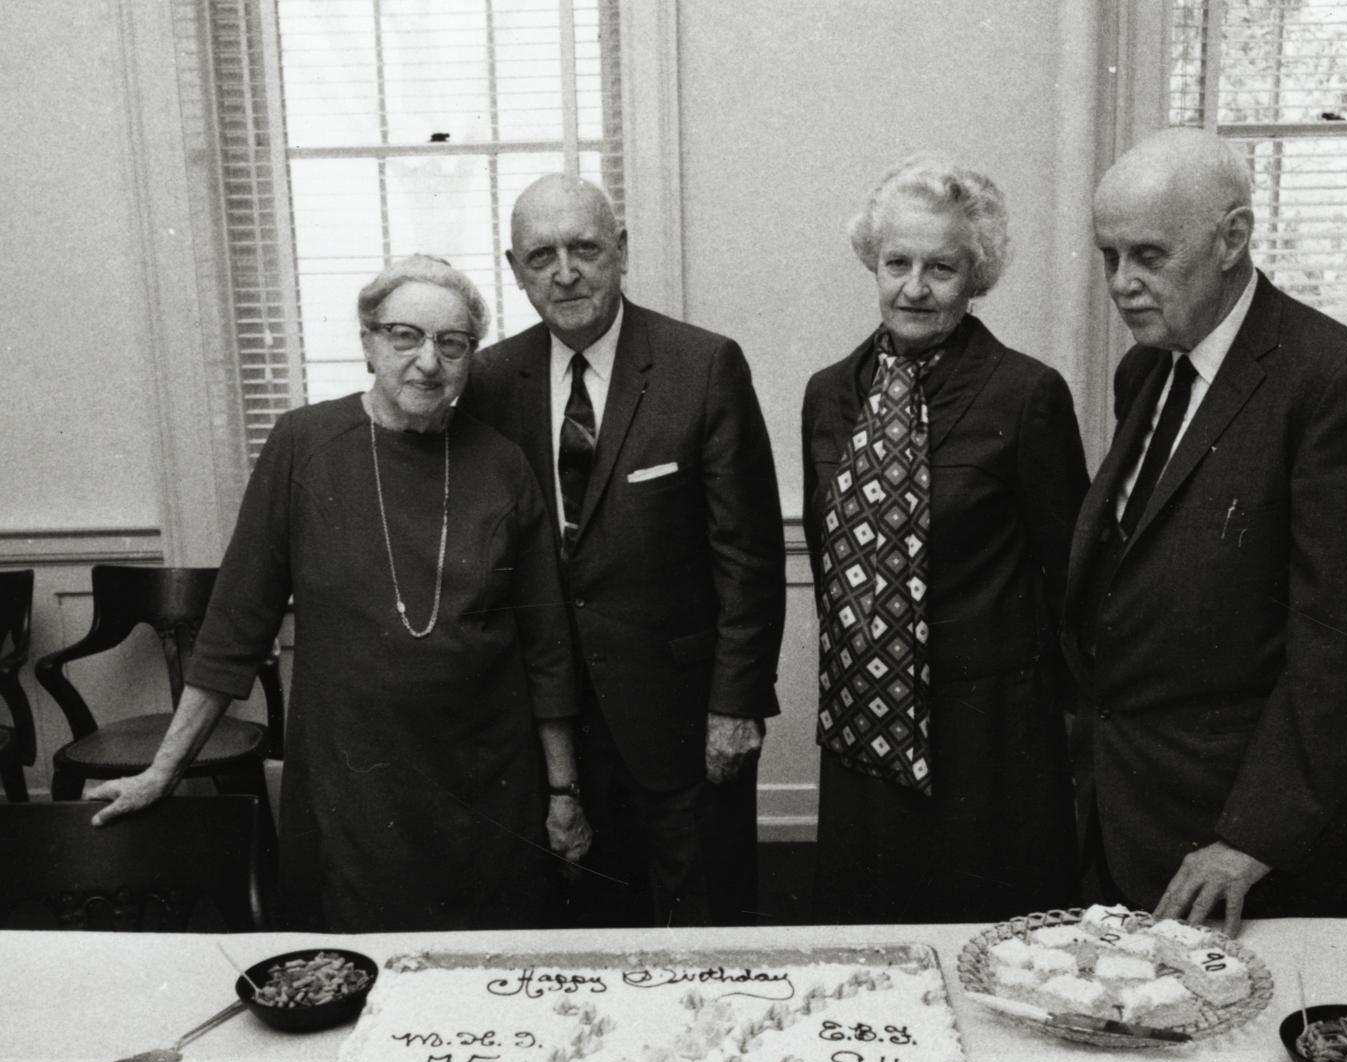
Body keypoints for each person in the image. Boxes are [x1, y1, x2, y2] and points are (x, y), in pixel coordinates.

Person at [89, 255, 589, 932]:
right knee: (350, 968)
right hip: (351, 781)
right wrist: (163, 770)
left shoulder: (503, 463)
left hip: (487, 781)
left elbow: (547, 650)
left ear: (471, 356)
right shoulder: (303, 444)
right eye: (404, 336)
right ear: (367, 342)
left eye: (452, 343)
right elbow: (235, 627)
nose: (428, 362)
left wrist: (563, 792)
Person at [1064, 128, 1347, 935]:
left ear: (1232, 239)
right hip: (1121, 808)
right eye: (1109, 256)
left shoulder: (1334, 382)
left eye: (1148, 256)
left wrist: (1249, 839)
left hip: (1232, 845)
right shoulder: (1145, 369)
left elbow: (1345, 650)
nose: (1121, 283)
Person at [459, 175, 786, 928]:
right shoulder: (489, 382)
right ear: (514, 270)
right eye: (541, 256)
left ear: (622, 250)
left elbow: (748, 556)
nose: (565, 272)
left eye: (584, 248)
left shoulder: (701, 366)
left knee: (704, 924)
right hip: (551, 727)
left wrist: (736, 704)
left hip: (681, 718)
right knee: (583, 931)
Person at [802, 155, 1089, 925]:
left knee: (985, 935)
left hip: (986, 736)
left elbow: (1072, 576)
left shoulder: (1025, 394)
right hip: (863, 727)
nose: (914, 288)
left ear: (976, 276)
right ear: (872, 261)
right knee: (870, 937)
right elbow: (830, 563)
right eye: (897, 263)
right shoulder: (828, 394)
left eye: (941, 268)